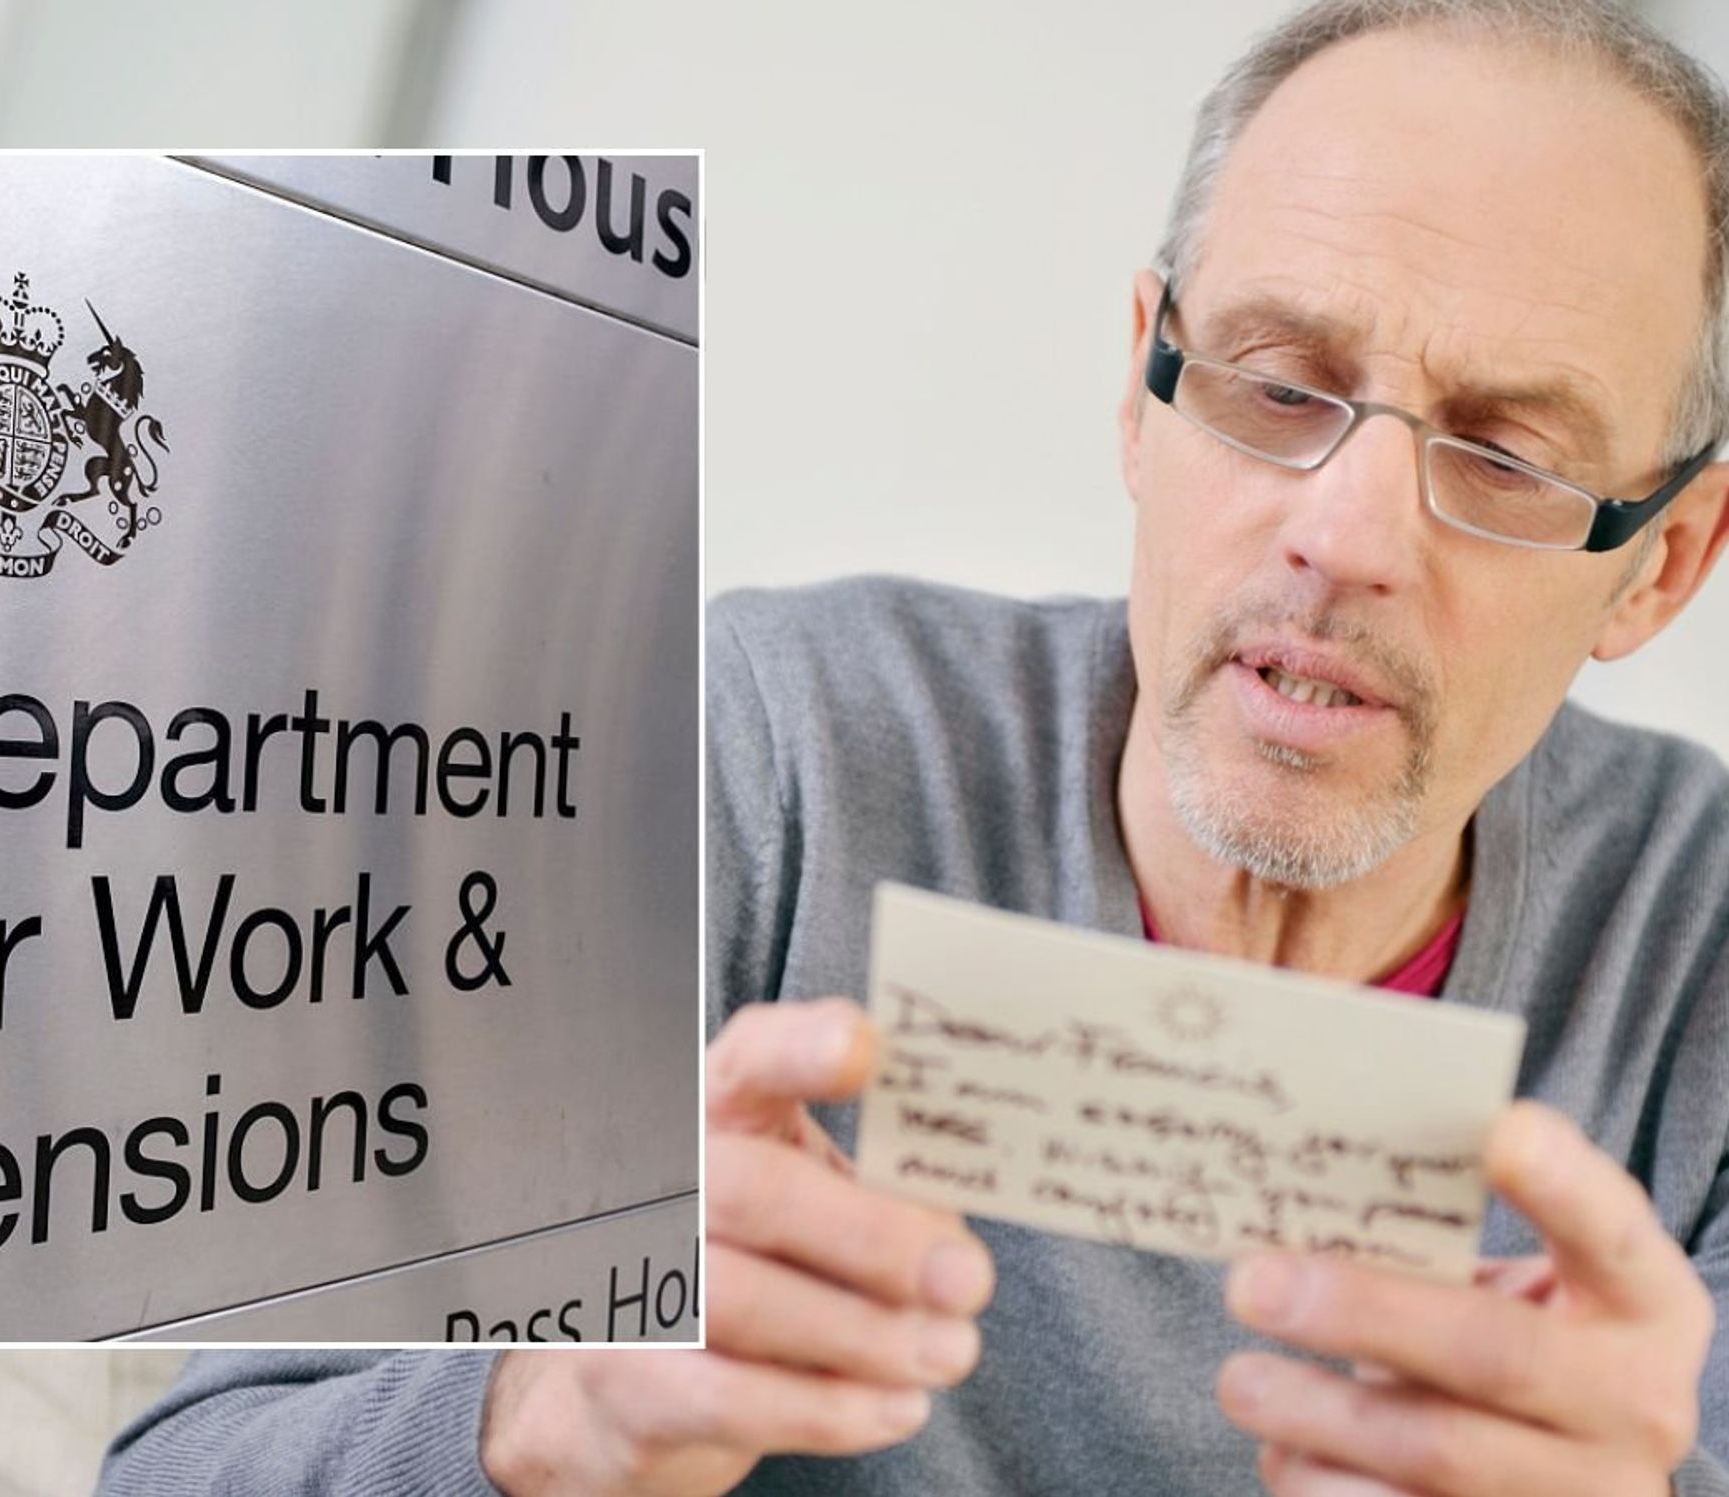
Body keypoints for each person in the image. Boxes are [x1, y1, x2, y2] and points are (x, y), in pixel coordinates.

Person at [100, 1, 1729, 1492]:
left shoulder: (1701, 947)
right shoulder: (756, 750)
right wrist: (539, 1416)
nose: (1348, 531)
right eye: (1279, 383)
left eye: (1509, 457)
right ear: (1140, 390)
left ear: (1658, 562)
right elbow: (186, 1462)